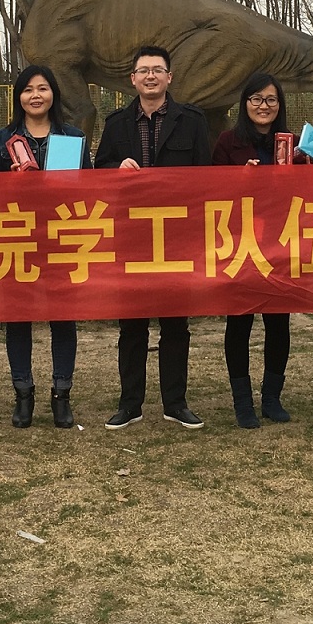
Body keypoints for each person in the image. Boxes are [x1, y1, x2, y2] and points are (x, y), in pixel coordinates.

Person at [93, 44, 211, 430]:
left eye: (157, 70)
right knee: (132, 325)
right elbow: (99, 170)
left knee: (175, 324)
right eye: (143, 70)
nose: (150, 76)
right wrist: (116, 168)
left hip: (177, 237)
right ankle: (130, 403)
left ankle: (175, 402)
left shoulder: (192, 121)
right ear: (132, 79)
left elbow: (206, 177)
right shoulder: (116, 124)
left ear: (169, 77)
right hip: (131, 236)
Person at [0, 64, 90, 429]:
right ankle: (23, 393)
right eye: (28, 89)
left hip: (62, 238)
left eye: (43, 88)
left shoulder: (73, 137)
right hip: (17, 238)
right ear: (19, 97)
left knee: (63, 317)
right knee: (18, 317)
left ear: (53, 94)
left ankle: (62, 394)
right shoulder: (2, 139)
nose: (35, 95)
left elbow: (89, 188)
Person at [211, 71, 304, 428]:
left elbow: (306, 192)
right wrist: (240, 179)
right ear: (245, 103)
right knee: (240, 322)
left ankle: (271, 397)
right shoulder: (227, 142)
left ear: (280, 105)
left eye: (271, 100)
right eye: (256, 99)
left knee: (278, 321)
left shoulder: (292, 143)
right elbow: (210, 191)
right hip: (241, 244)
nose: (263, 106)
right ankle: (242, 401)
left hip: (280, 242)